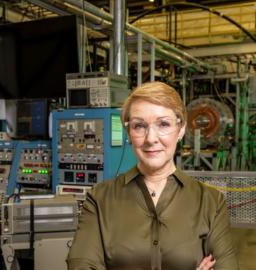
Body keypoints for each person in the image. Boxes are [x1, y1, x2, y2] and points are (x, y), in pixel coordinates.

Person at [67, 82, 238, 270]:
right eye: (139, 126)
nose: (150, 138)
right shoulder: (99, 198)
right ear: (129, 133)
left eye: (163, 124)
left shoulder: (210, 202)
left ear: (181, 130)